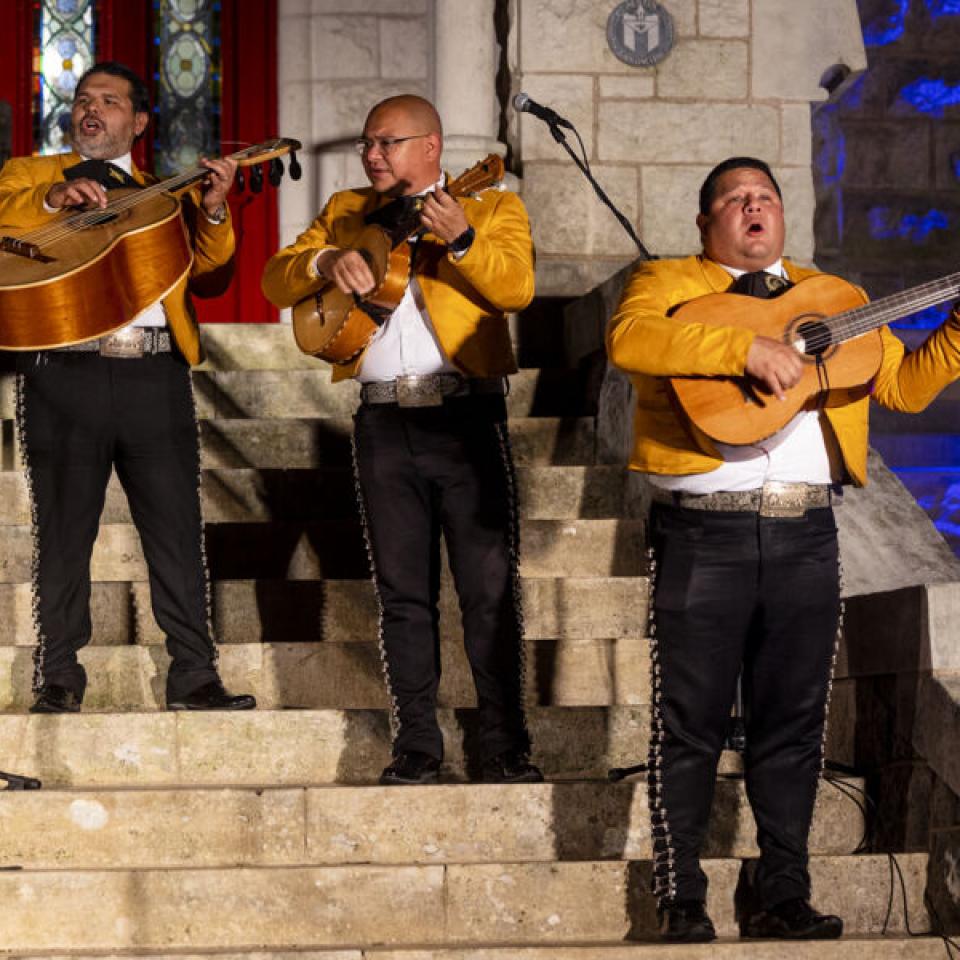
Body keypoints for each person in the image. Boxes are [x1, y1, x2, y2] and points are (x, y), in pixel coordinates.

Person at [607, 156, 960, 942]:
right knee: (690, 720)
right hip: (703, 533)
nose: (753, 207)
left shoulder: (836, 299)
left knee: (795, 722)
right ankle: (681, 897)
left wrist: (959, 331)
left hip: (807, 531)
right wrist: (743, 351)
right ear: (707, 223)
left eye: (765, 196)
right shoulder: (665, 281)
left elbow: (901, 386)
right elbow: (631, 340)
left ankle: (782, 892)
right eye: (735, 199)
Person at [262, 94, 540, 785]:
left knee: (488, 588)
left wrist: (464, 239)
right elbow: (276, 278)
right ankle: (417, 743)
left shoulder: (492, 206)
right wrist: (326, 263)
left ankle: (504, 746)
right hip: (383, 420)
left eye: (387, 143)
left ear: (431, 148)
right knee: (401, 592)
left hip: (465, 417)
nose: (372, 155)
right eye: (367, 144)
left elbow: (518, 287)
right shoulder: (347, 213)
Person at [0, 61, 256, 714]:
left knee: (175, 529)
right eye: (84, 99)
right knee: (64, 533)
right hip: (65, 372)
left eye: (110, 101)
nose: (92, 109)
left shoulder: (163, 194)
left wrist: (216, 208)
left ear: (137, 122)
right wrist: (54, 200)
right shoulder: (29, 174)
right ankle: (59, 675)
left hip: (154, 373)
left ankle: (194, 676)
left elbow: (208, 274)